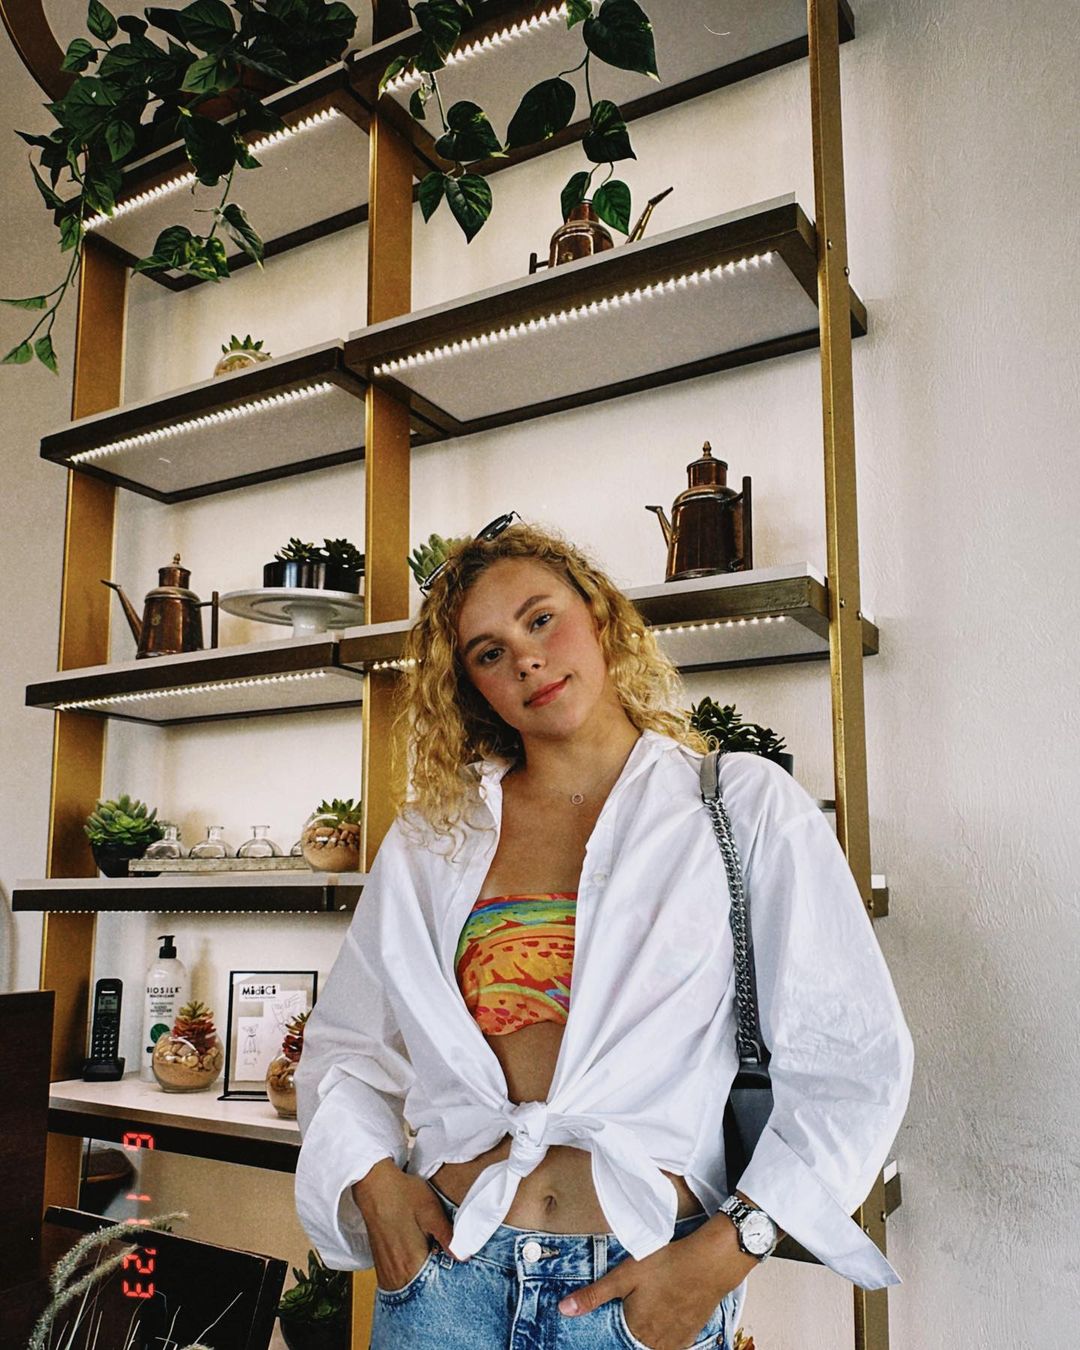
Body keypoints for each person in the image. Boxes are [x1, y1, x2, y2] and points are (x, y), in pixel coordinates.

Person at [295, 517, 914, 1350]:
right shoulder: (435, 836)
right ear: (471, 687)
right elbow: (347, 1049)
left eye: (541, 619)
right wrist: (374, 1183)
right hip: (450, 1275)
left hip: (639, 1288)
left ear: (599, 614)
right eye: (489, 651)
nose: (526, 658)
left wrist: (723, 1258)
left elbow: (851, 1058)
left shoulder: (739, 805)